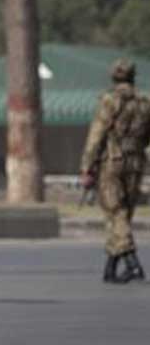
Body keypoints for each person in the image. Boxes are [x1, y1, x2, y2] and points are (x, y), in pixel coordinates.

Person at [80, 58, 149, 284]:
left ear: (114, 76)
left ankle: (133, 264)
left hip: (113, 161)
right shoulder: (144, 102)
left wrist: (87, 166)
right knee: (123, 213)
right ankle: (110, 268)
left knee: (115, 211)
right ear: (132, 76)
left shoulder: (110, 100)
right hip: (136, 162)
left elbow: (96, 135)